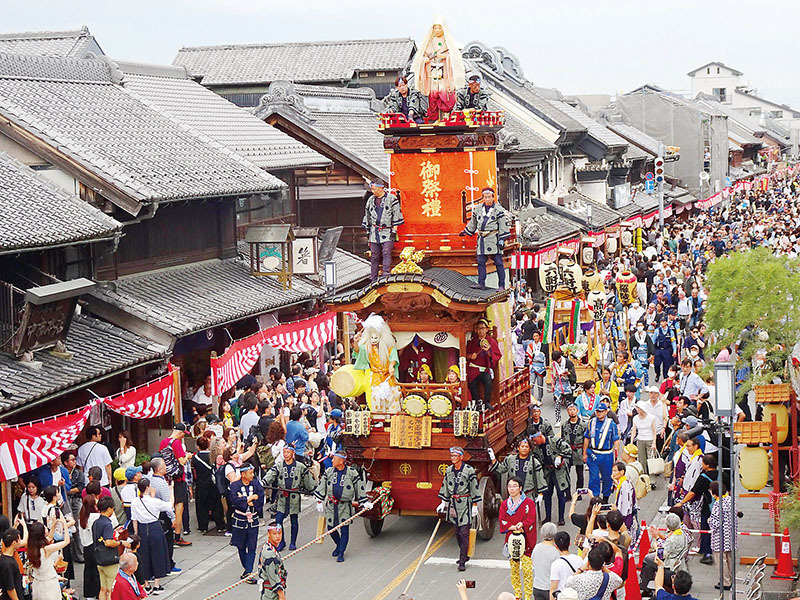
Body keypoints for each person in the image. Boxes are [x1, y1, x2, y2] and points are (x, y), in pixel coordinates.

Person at [314, 450, 370, 562]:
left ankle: (341, 552)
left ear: (341, 461)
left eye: (334, 459)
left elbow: (359, 487)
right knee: (331, 528)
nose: (332, 460)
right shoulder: (329, 471)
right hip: (331, 505)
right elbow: (322, 486)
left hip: (344, 505)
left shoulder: (352, 473)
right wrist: (319, 500)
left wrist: (364, 501)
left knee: (344, 528)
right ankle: (339, 545)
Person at [262, 444, 316, 551]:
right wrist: (263, 483)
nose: (286, 454)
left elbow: (308, 481)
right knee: (278, 520)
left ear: (293, 453)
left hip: (294, 496)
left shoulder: (300, 466)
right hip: (282, 496)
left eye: (288, 452)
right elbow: (270, 475)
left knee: (294, 520)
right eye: (284, 452)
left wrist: (313, 490)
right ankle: (281, 542)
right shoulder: (279, 465)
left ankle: (293, 542)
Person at [410, 17, 465, 121]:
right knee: (432, 97)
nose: (437, 30)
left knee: (445, 95)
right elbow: (422, 56)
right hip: (432, 74)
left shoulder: (448, 42)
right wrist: (424, 60)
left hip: (445, 74)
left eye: (439, 28)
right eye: (435, 28)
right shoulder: (428, 42)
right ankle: (434, 119)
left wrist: (445, 57)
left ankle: (446, 118)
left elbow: (454, 57)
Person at [436, 447, 480, 572]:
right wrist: (443, 502)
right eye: (452, 455)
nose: (453, 458)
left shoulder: (469, 470)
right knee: (457, 533)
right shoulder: (449, 470)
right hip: (453, 504)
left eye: (456, 455)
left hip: (465, 504)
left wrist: (475, 506)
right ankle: (464, 554)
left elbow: (474, 488)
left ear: (461, 456)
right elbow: (445, 485)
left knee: (463, 532)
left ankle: (462, 561)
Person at [459, 187, 510, 290]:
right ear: (483, 198)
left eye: (489, 197)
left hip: (493, 238)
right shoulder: (478, 209)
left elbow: (502, 226)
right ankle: (481, 283)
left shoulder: (498, 210)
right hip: (482, 239)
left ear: (492, 197)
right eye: (485, 197)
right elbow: (473, 222)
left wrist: (501, 239)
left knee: (499, 263)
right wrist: (466, 231)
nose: (487, 199)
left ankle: (501, 285)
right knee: (481, 261)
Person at [130, 478, 171, 595]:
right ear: (147, 487)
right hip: (155, 527)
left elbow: (134, 519)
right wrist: (171, 491)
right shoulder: (155, 501)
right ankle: (157, 585)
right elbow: (169, 506)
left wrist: (136, 534)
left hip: (142, 528)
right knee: (158, 554)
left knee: (144, 556)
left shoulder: (135, 501)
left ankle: (146, 584)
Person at [498, 477, 536, 600]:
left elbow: (531, 518)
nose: (512, 488)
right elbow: (502, 520)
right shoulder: (505, 504)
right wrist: (511, 526)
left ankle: (528, 596)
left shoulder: (528, 503)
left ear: (520, 488)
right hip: (512, 539)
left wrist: (522, 525)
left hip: (525, 540)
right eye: (509, 486)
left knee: (527, 571)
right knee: (514, 570)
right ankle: (518, 595)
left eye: (515, 486)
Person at [362, 179, 404, 281]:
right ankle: (373, 278)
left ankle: (386, 275)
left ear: (381, 188)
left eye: (374, 189)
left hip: (387, 230)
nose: (373, 191)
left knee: (386, 252)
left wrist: (394, 231)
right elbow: (367, 215)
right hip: (374, 231)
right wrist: (368, 230)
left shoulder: (391, 199)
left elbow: (396, 215)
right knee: (374, 255)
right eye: (372, 189)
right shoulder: (371, 200)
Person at [229, 463, 265, 582]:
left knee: (252, 546)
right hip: (240, 518)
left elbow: (260, 496)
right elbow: (234, 500)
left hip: (253, 519)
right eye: (250, 473)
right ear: (243, 474)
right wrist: (249, 499)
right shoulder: (234, 485)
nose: (252, 475)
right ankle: (247, 569)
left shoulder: (255, 484)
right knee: (240, 546)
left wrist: (252, 502)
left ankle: (249, 572)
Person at [159, 424, 192, 548]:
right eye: (183, 433)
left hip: (168, 479)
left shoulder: (163, 442)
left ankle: (169, 533)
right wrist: (187, 456)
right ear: (180, 432)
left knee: (169, 506)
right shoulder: (176, 443)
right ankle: (177, 536)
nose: (183, 435)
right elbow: (182, 461)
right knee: (179, 507)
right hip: (178, 479)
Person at [640, 514, 689, 596]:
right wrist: (658, 536)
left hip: (669, 563)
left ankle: (645, 586)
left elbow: (662, 554)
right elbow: (668, 544)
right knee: (648, 564)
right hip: (676, 557)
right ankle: (645, 586)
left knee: (647, 560)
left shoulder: (673, 539)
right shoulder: (681, 533)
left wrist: (656, 542)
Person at [531, 432, 571, 526]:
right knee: (547, 494)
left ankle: (561, 518)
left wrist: (560, 456)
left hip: (559, 470)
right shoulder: (537, 448)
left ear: (540, 436)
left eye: (535, 440)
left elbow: (567, 448)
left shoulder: (554, 440)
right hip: (547, 471)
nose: (535, 443)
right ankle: (548, 516)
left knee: (561, 494)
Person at [93, 496, 129, 600]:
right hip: (109, 560)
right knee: (111, 589)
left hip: (99, 559)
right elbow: (108, 542)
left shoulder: (96, 523)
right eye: (112, 509)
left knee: (103, 589)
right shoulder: (107, 523)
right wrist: (121, 542)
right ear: (109, 509)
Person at [583, 402, 620, 502]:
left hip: (607, 455)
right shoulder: (591, 422)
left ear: (606, 412)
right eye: (597, 411)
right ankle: (595, 499)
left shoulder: (611, 423)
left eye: (601, 411)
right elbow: (587, 437)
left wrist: (616, 456)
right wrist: (584, 453)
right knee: (593, 478)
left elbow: (616, 439)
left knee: (607, 477)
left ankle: (605, 499)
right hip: (593, 454)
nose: (599, 413)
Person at [27, 520, 70, 600]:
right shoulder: (46, 549)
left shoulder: (31, 547)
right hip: (49, 585)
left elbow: (49, 538)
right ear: (42, 534)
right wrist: (65, 525)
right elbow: (66, 541)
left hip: (37, 584)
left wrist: (53, 525)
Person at [465, 318, 502, 411]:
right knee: (472, 383)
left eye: (483, 328)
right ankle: (476, 402)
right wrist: (470, 356)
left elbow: (496, 355)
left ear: (487, 329)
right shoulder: (472, 341)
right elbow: (464, 354)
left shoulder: (491, 341)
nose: (481, 330)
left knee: (488, 380)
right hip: (473, 369)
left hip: (484, 369)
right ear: (476, 330)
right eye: (479, 328)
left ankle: (487, 402)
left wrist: (488, 351)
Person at [191, 436, 225, 534]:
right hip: (213, 483)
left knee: (201, 506)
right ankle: (220, 525)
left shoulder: (195, 458)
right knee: (216, 505)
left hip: (201, 484)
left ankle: (203, 526)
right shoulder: (213, 456)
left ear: (198, 447)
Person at [709, 481, 738, 590]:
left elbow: (715, 522)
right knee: (729, 559)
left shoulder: (718, 504)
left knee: (721, 561)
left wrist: (709, 520)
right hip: (730, 535)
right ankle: (730, 579)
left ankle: (725, 582)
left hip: (720, 537)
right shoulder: (730, 500)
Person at [62, 450, 87, 563]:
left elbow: (81, 487)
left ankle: (80, 554)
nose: (74, 461)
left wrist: (68, 490)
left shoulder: (78, 473)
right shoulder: (62, 472)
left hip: (76, 500)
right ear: (66, 462)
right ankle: (70, 554)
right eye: (72, 460)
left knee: (77, 525)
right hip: (65, 500)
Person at [258, 522, 288, 600]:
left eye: (279, 533)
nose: (277, 536)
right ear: (268, 534)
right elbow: (273, 576)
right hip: (271, 594)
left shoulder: (269, 547)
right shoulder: (270, 554)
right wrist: (281, 595)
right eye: (274, 534)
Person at [530, 522, 560, 600]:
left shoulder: (536, 547)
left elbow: (533, 562)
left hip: (537, 586)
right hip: (549, 588)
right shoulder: (555, 551)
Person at [561, 403, 586, 490]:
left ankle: (579, 492)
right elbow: (562, 439)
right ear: (567, 411)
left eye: (574, 409)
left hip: (579, 451)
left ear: (577, 411)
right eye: (570, 410)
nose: (572, 412)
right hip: (568, 451)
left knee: (580, 473)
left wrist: (585, 453)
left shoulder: (583, 424)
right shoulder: (564, 425)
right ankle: (567, 493)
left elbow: (586, 440)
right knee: (565, 473)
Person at [550, 531, 583, 600]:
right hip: (577, 596)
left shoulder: (556, 564)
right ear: (569, 544)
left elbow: (553, 588)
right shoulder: (579, 559)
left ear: (556, 546)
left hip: (563, 597)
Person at [631, 402, 657, 476]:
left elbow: (654, 431)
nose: (637, 410)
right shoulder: (635, 418)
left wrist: (654, 442)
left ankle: (652, 479)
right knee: (642, 460)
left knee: (651, 460)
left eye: (639, 408)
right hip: (640, 439)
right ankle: (645, 477)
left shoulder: (651, 418)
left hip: (650, 439)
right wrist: (631, 442)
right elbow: (634, 431)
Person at [610, 462, 636, 530]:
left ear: (622, 472)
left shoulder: (625, 485)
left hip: (625, 519)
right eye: (612, 471)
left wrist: (617, 511)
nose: (613, 473)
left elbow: (626, 505)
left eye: (615, 471)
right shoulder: (622, 482)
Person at [0, 528, 24, 600]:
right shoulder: (7, 563)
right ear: (14, 543)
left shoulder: (6, 558)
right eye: (19, 540)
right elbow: (10, 588)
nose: (20, 542)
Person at [652, 316, 677, 382]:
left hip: (667, 350)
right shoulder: (657, 331)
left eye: (663, 322)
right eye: (661, 322)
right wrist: (652, 351)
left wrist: (674, 351)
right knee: (656, 364)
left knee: (667, 365)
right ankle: (657, 374)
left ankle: (665, 379)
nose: (662, 323)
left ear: (666, 322)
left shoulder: (670, 331)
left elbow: (673, 341)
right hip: (659, 350)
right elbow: (653, 341)